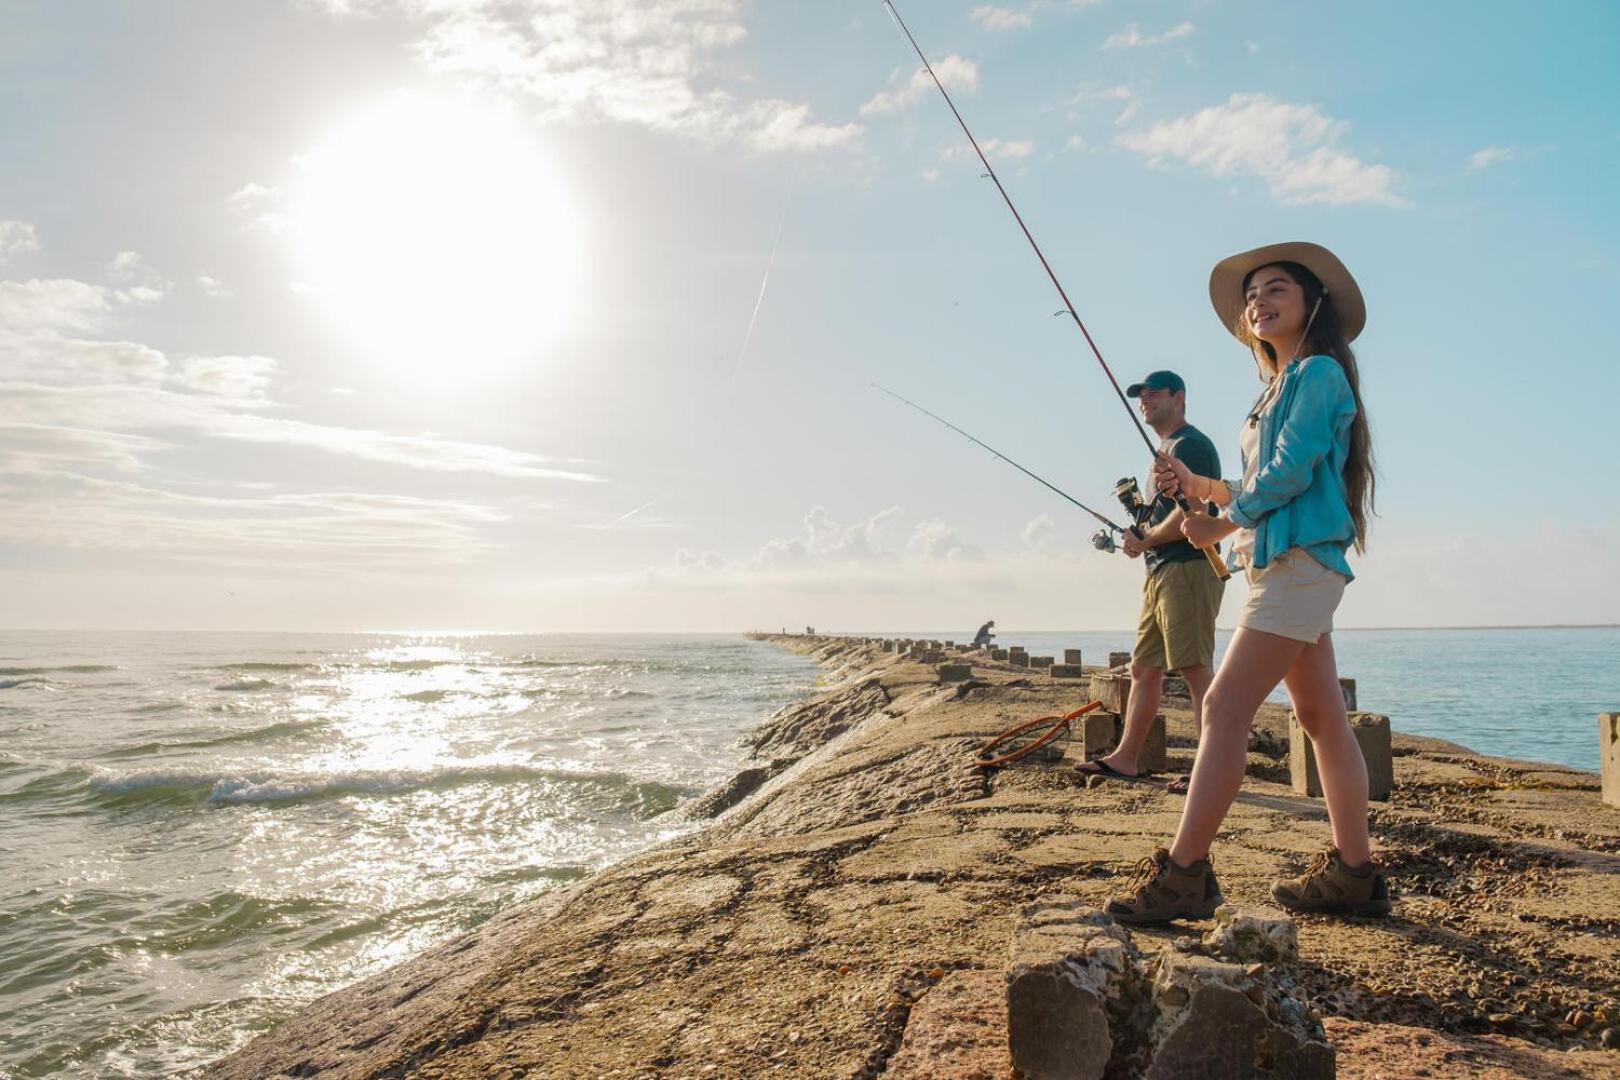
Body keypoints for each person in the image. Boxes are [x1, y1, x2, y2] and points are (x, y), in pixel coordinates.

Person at [1106, 241, 1388, 923]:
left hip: (1295, 564)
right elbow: (1253, 484)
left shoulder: (1318, 373)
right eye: (1253, 295)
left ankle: (1184, 877)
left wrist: (1221, 522)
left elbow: (1287, 476)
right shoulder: (1275, 391)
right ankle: (1355, 874)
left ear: (1311, 305)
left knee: (1224, 711)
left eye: (1277, 290)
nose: (1259, 302)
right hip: (1290, 561)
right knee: (1322, 720)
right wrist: (1197, 491)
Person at [1075, 371, 1222, 794]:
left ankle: (1210, 768)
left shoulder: (1191, 444)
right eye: (1141, 396)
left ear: (1179, 397)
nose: (1145, 401)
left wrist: (1151, 538)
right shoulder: (1163, 450)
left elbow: (1198, 510)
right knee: (1144, 670)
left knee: (1195, 669)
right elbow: (1157, 518)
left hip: (1189, 567)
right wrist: (1140, 538)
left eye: (1154, 394)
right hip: (1161, 570)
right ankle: (1126, 758)